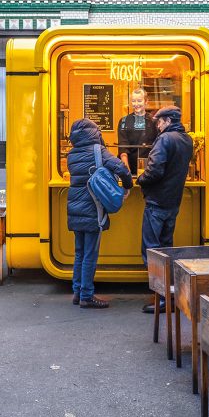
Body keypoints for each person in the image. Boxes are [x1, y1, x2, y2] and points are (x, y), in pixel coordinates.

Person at [66, 118, 133, 309]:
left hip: (75, 207)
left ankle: (77, 292)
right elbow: (121, 168)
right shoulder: (98, 150)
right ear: (95, 133)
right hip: (92, 208)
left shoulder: (72, 154)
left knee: (79, 253)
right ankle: (87, 295)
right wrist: (127, 187)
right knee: (90, 254)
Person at [136, 106, 193, 313]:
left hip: (157, 202)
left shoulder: (165, 140)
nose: (157, 125)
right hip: (172, 203)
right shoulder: (187, 140)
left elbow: (154, 171)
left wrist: (140, 179)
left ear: (168, 120)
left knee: (152, 251)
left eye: (159, 122)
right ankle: (171, 296)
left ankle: (161, 299)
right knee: (166, 249)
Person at [117, 88, 158, 175]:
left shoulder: (154, 121)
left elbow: (158, 146)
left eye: (139, 101)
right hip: (129, 166)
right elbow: (123, 147)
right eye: (133, 101)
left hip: (151, 167)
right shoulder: (124, 121)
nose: (136, 104)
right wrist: (126, 170)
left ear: (146, 102)